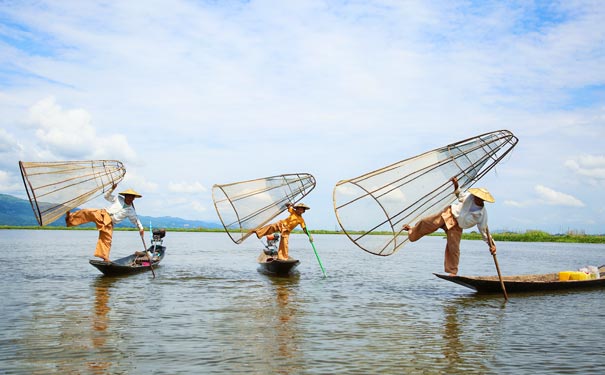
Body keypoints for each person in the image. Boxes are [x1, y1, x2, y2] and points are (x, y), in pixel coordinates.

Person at [402, 177, 496, 276]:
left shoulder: (482, 214)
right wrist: (455, 184)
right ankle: (412, 230)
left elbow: (484, 231)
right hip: (449, 214)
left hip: (457, 226)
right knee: (426, 222)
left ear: (482, 200)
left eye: (478, 197)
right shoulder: (469, 197)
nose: (476, 197)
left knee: (454, 248)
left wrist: (492, 245)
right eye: (476, 196)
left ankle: (452, 271)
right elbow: (459, 194)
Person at [66, 185, 144, 262]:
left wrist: (141, 228)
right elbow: (106, 196)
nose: (130, 198)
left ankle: (104, 257)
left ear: (134, 198)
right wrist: (112, 189)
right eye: (129, 196)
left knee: (107, 240)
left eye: (132, 197)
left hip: (110, 222)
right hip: (103, 214)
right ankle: (70, 217)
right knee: (87, 212)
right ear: (125, 196)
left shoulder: (131, 210)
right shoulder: (118, 199)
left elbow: (136, 220)